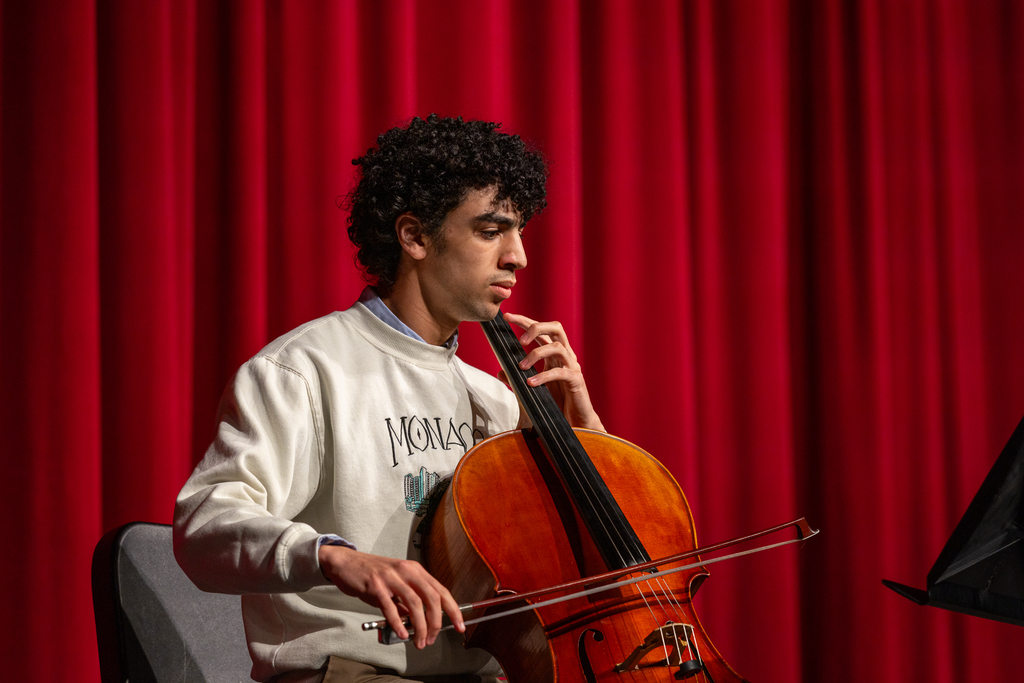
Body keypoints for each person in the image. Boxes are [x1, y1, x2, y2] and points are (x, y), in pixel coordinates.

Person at [173, 114, 604, 683]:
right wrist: (337, 557)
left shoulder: (493, 400)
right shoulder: (302, 371)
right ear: (416, 236)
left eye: (519, 231)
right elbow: (205, 525)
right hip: (351, 673)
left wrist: (582, 424)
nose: (518, 256)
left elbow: (585, 563)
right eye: (489, 230)